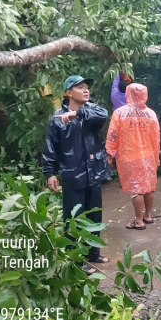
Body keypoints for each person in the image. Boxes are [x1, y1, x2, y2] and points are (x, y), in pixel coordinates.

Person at [42, 75, 111, 274]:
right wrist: (50, 172)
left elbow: (103, 115)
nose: (86, 90)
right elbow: (50, 146)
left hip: (93, 172)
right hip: (73, 174)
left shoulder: (92, 110)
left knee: (94, 214)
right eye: (80, 87)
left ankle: (93, 252)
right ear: (69, 93)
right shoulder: (57, 118)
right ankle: (75, 258)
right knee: (74, 218)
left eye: (87, 87)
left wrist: (77, 115)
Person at [105, 83, 161, 230]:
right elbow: (156, 138)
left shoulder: (120, 113)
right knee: (148, 187)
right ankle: (148, 216)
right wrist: (156, 157)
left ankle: (138, 221)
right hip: (148, 155)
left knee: (136, 189)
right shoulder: (151, 114)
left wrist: (110, 152)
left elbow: (113, 134)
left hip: (129, 157)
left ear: (128, 94)